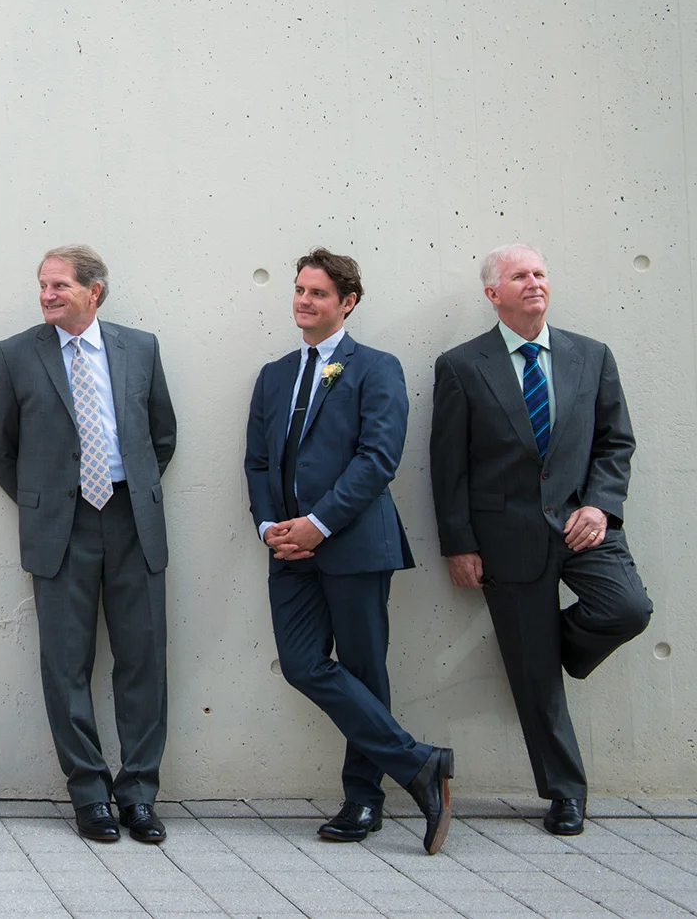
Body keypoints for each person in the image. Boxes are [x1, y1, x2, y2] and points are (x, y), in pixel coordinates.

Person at [430, 244, 652, 837]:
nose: (533, 282)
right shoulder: (460, 365)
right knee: (537, 687)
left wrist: (602, 506)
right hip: (505, 536)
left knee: (628, 609)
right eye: (518, 275)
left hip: (584, 527)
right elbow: (447, 465)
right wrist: (460, 544)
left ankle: (545, 648)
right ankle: (565, 794)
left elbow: (615, 443)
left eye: (540, 273)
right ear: (492, 294)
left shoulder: (591, 355)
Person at [243, 250, 452, 854]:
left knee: (365, 670)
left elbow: (377, 460)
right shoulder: (275, 374)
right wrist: (268, 527)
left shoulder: (377, 369)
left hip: (357, 546)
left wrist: (319, 523)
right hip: (288, 552)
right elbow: (258, 461)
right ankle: (419, 763)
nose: (303, 301)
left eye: (318, 293)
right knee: (304, 664)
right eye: (299, 290)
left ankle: (364, 799)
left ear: (347, 303)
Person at [0, 245, 176, 844]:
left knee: (143, 662)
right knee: (66, 666)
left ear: (95, 291)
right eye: (42, 285)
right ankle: (89, 793)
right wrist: (46, 501)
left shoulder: (139, 348)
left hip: (130, 519)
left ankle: (137, 794)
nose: (46, 295)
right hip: (59, 530)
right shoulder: (15, 355)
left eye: (59, 285)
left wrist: (127, 490)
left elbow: (162, 435)